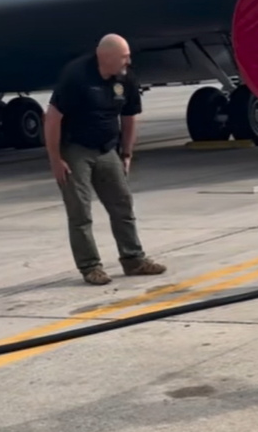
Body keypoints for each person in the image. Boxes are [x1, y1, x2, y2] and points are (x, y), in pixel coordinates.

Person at [43, 33, 167, 284]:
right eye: (124, 57)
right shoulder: (77, 76)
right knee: (80, 211)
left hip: (107, 148)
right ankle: (90, 267)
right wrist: (55, 158)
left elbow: (130, 116)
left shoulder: (126, 79)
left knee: (122, 204)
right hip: (75, 148)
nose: (128, 62)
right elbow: (53, 117)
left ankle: (133, 260)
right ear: (105, 57)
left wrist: (127, 153)